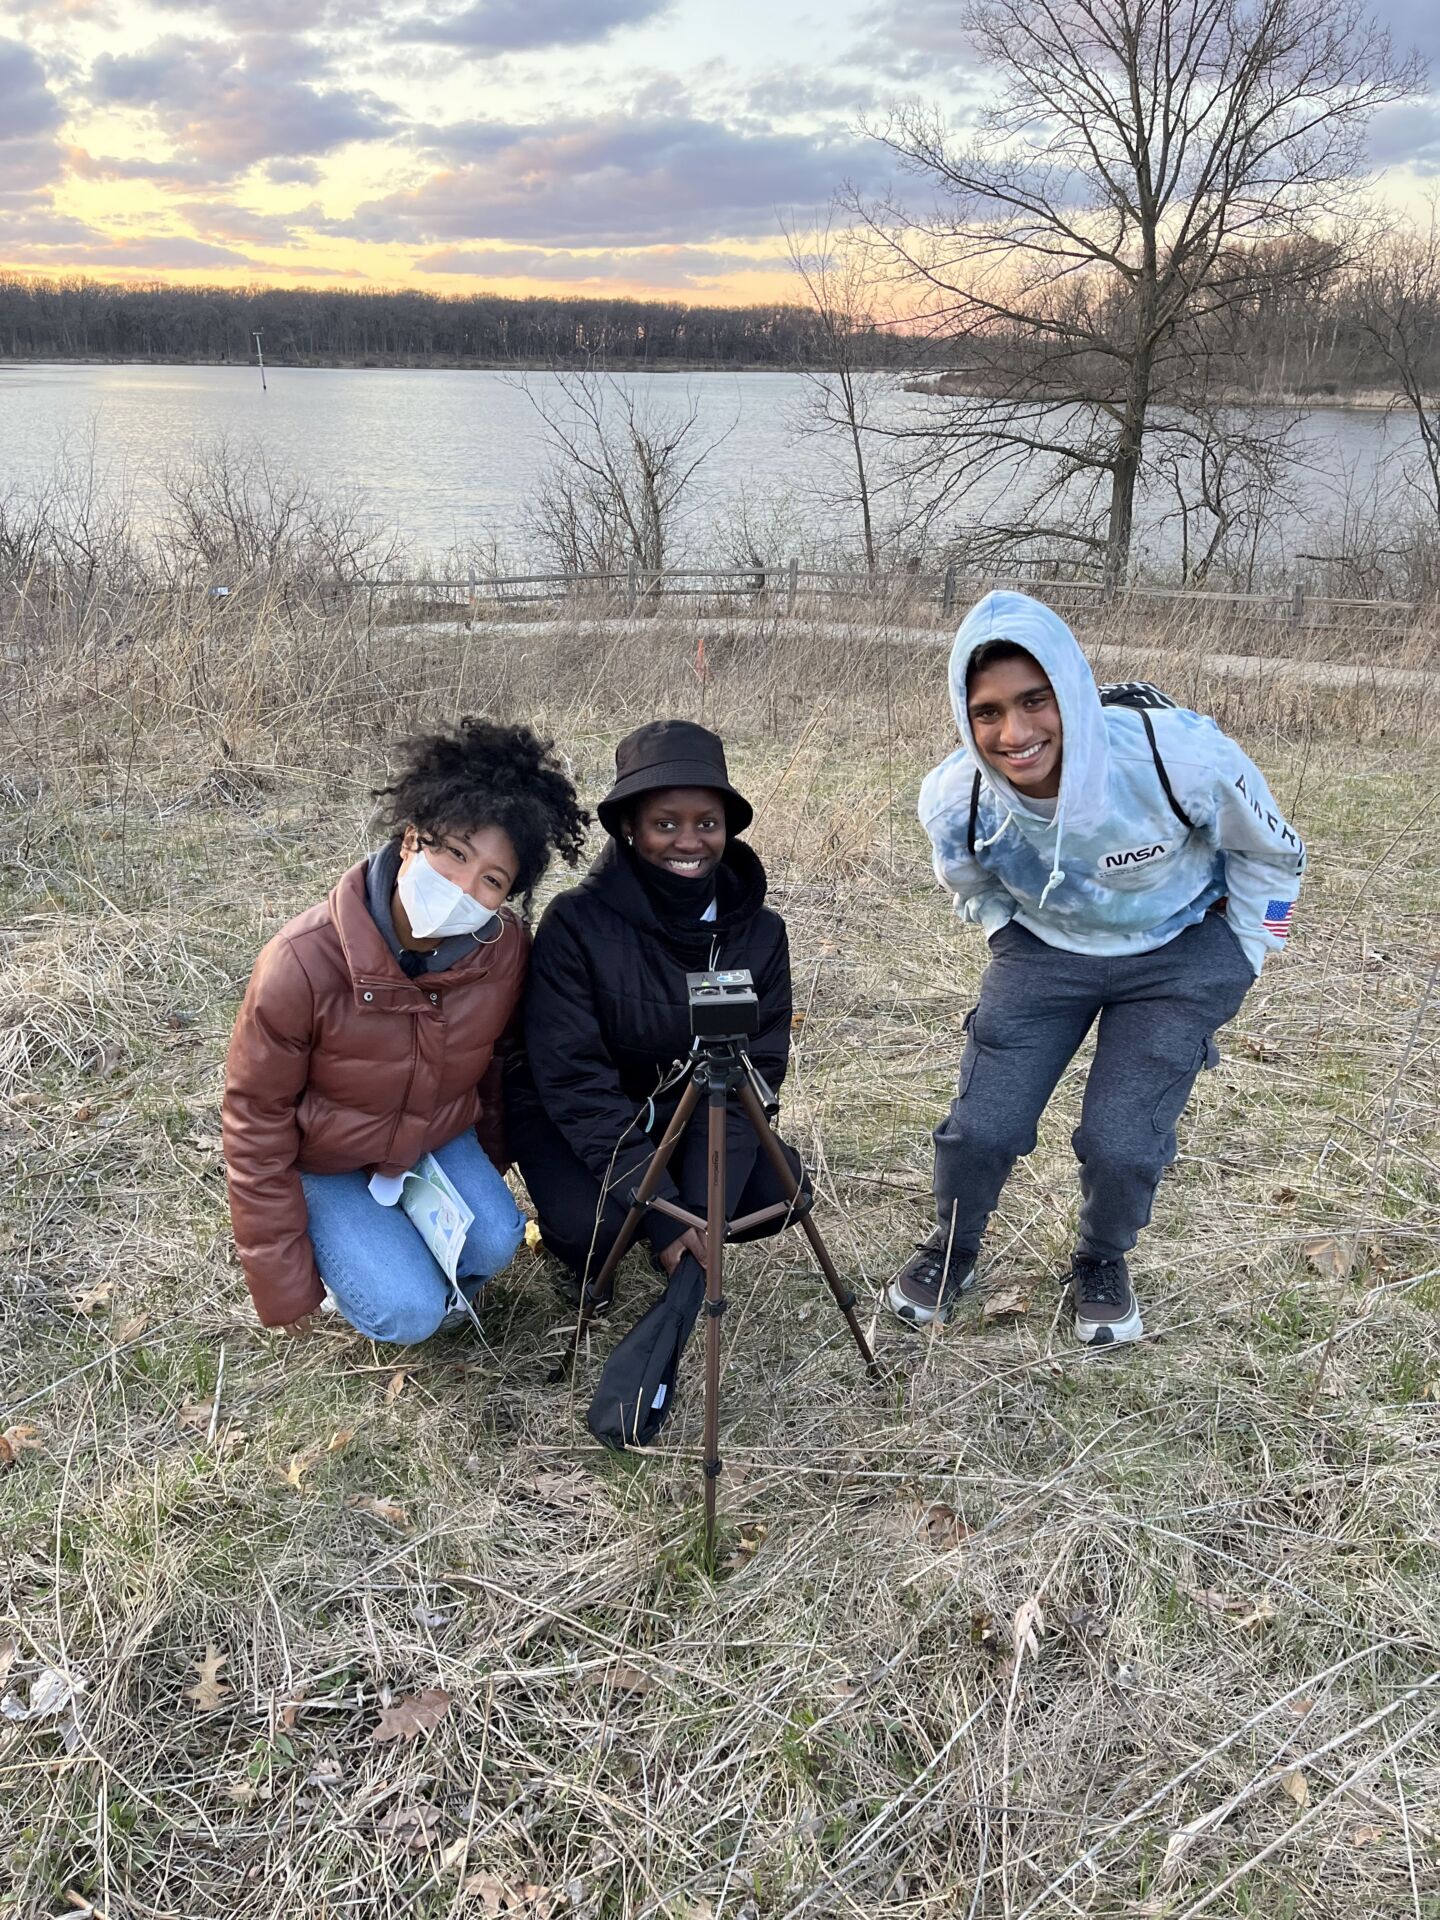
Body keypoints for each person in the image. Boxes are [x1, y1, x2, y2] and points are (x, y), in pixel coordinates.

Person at [889, 590, 1305, 1345]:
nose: (1015, 733)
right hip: (1044, 953)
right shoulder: (957, 799)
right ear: (964, 715)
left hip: (1177, 958)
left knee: (1122, 1140)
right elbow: (970, 885)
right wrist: (1010, 939)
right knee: (983, 1125)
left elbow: (1275, 855)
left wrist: (1246, 951)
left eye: (1035, 701)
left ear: (1071, 692)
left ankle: (1101, 1259)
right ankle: (953, 1247)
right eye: (988, 712)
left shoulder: (1177, 757)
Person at [222, 719, 588, 1341]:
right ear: (412, 838)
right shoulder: (301, 962)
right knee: (409, 1311)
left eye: (492, 881)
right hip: (326, 1159)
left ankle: (401, 1253)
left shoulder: (501, 954)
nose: (463, 889)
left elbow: (500, 1070)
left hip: (427, 1139)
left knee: (496, 1241)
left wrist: (487, 1172)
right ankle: (358, 1270)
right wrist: (285, 1283)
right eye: (456, 854)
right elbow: (255, 1117)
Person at [508, 719, 805, 1305]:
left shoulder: (760, 934)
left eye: (707, 824)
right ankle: (611, 1236)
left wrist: (698, 1211)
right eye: (665, 824)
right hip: (580, 1124)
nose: (688, 842)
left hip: (692, 1116)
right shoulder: (575, 923)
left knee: (782, 1192)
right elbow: (573, 1081)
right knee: (593, 1231)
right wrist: (663, 1212)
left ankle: (674, 1225)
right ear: (628, 828)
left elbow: (752, 1076)